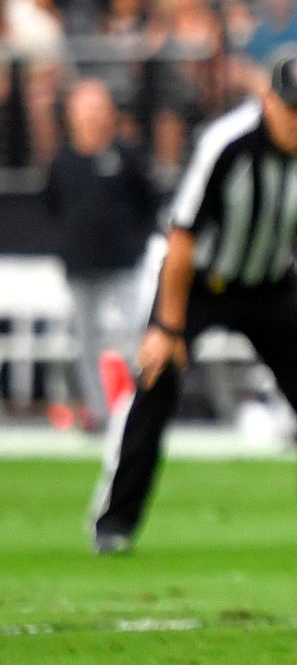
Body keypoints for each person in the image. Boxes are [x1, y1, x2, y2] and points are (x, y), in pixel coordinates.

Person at [87, 53, 297, 555]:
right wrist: (167, 326)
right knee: (157, 377)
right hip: (200, 278)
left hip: (271, 282)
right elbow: (181, 238)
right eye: (289, 108)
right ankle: (115, 522)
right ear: (267, 101)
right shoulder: (226, 143)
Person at [41, 79, 156, 430]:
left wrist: (134, 244)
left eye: (96, 106)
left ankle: (140, 407)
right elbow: (52, 204)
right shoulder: (63, 160)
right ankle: (99, 413)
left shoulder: (124, 154)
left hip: (122, 264)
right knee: (85, 341)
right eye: (84, 107)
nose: (90, 115)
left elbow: (147, 202)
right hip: (80, 265)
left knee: (133, 335)